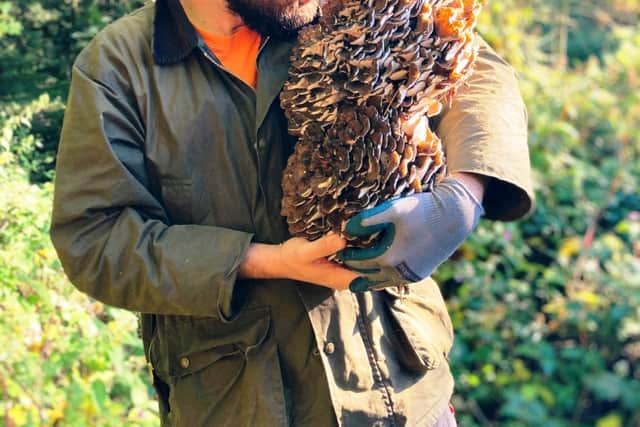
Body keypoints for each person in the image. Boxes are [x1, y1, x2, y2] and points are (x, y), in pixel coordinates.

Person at [50, 0, 534, 425]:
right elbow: (95, 238)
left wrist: (466, 195)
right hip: (234, 403)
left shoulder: (337, 6)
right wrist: (263, 260)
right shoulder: (118, 67)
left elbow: (475, 67)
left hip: (401, 392)